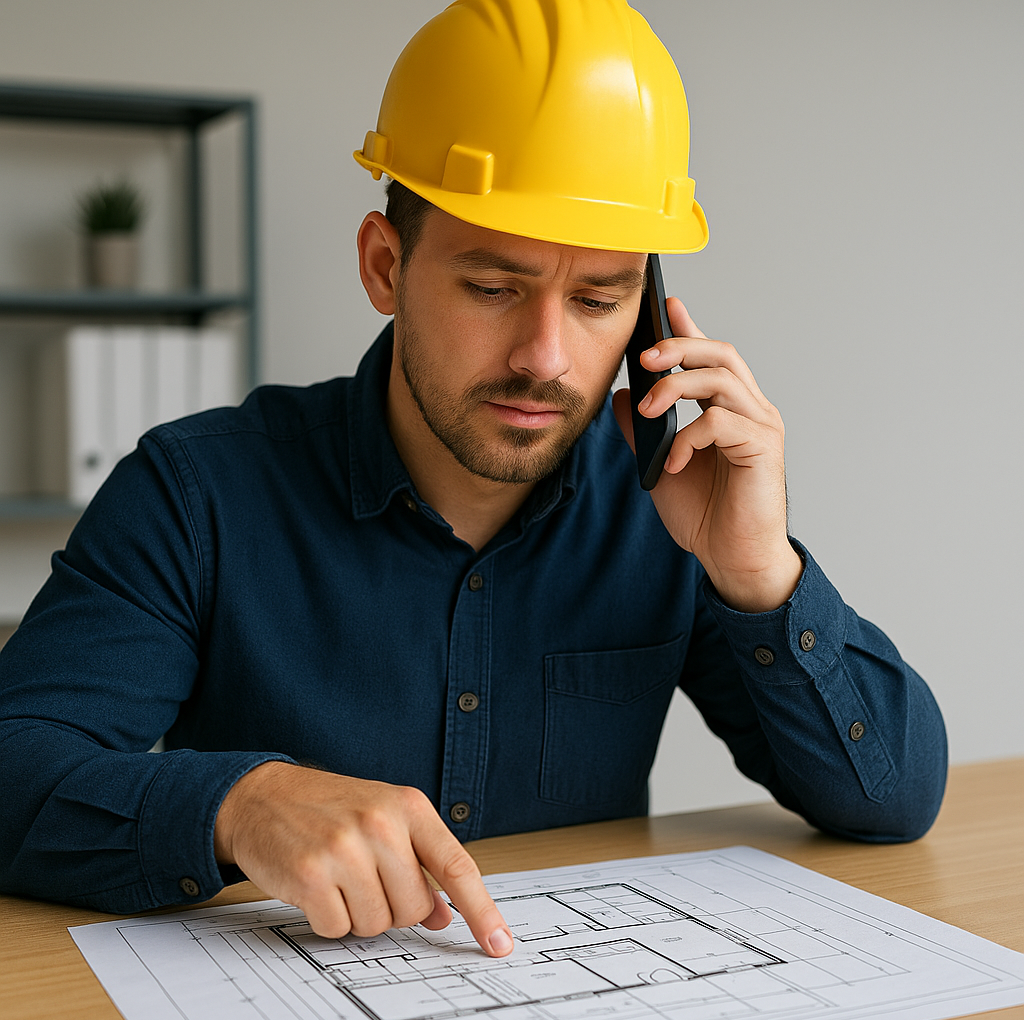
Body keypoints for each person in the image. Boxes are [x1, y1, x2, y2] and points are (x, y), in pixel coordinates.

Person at [0, 0, 945, 960]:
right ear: (384, 265)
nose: (545, 357)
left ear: (651, 319)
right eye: (493, 288)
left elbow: (893, 801)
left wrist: (758, 573)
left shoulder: (671, 505)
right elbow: (13, 767)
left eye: (597, 300)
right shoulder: (196, 491)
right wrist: (241, 804)